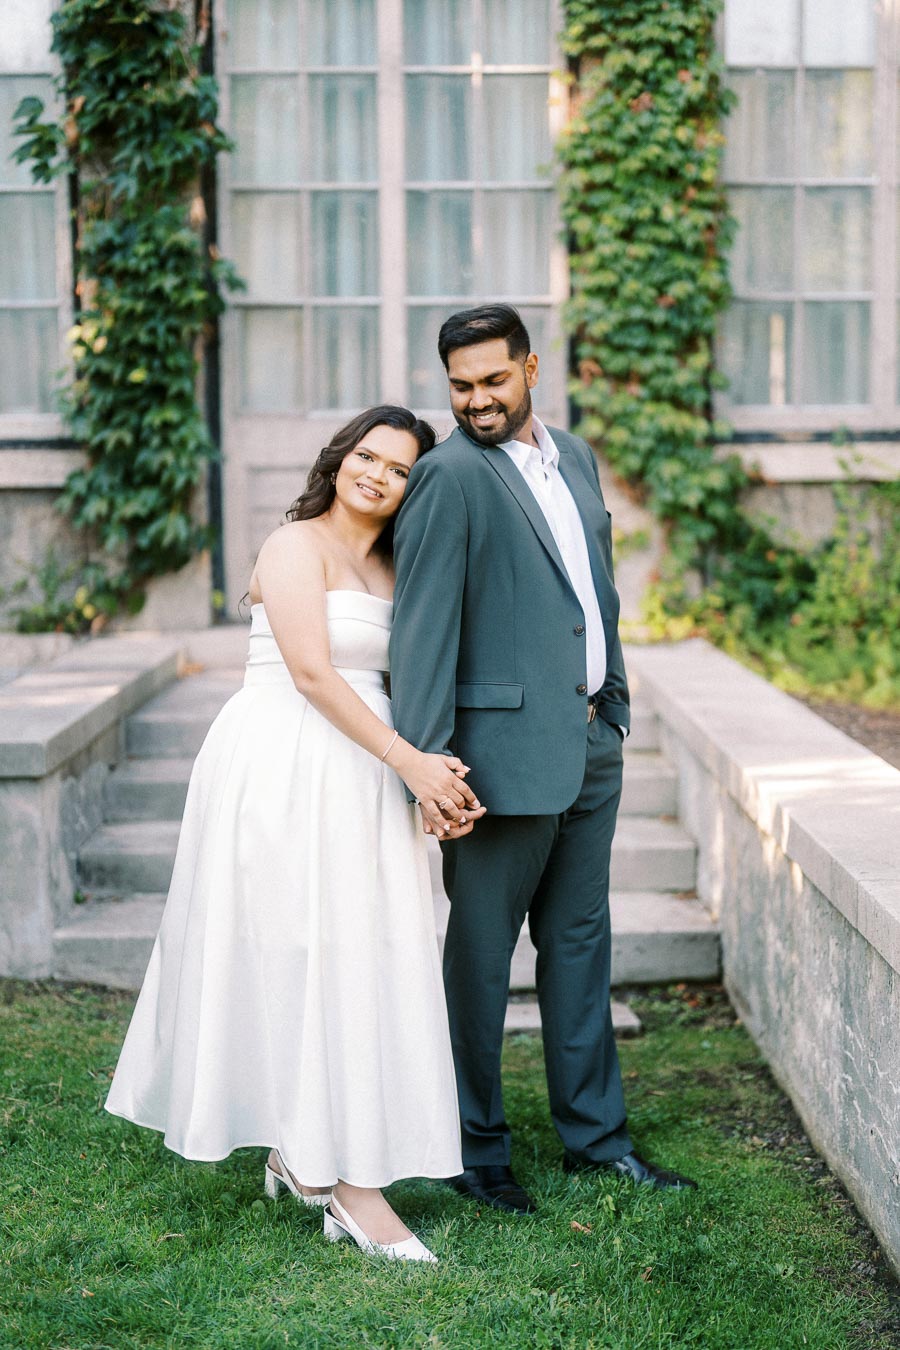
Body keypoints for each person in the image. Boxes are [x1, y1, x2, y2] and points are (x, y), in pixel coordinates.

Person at [106, 405, 482, 1263]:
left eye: (398, 469)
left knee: (361, 957)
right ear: (341, 455)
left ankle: (304, 1152)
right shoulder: (294, 545)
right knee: (300, 955)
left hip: (363, 773)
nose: (378, 475)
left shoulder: (395, 560)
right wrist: (411, 763)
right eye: (369, 456)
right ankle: (352, 1189)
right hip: (284, 767)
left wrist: (431, 769)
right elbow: (313, 673)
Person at [389, 306, 697, 1214]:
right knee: (480, 961)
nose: (476, 400)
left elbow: (590, 591)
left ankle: (597, 1142)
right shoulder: (447, 477)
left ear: (531, 368)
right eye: (460, 384)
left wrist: (617, 706)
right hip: (490, 765)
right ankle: (473, 1151)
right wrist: (429, 762)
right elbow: (424, 634)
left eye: (492, 379)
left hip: (590, 742)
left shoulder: (575, 455)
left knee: (578, 946)